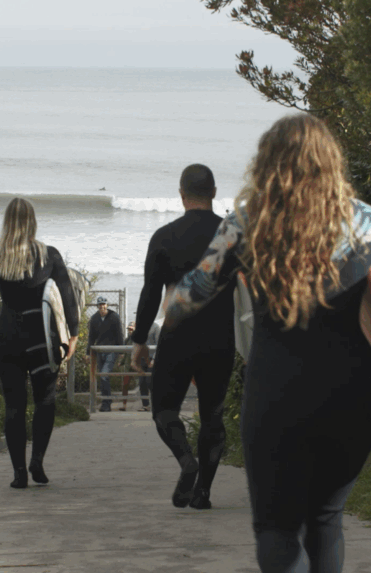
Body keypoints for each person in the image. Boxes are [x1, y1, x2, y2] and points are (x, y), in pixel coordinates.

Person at [161, 114, 371, 572]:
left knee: (278, 528)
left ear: (267, 165)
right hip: (350, 398)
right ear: (331, 165)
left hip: (276, 397)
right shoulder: (368, 224)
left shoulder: (247, 223)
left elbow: (186, 299)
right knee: (326, 519)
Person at [0, 197, 79, 489]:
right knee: (45, 401)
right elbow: (68, 294)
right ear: (32, 222)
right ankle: (38, 462)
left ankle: (19, 472)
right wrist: (73, 334)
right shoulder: (49, 255)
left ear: (7, 222)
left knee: (14, 406)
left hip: (7, 339)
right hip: (41, 341)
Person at [130, 163, 236, 510]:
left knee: (163, 407)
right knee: (213, 416)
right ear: (214, 194)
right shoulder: (233, 236)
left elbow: (149, 295)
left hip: (178, 338)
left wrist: (140, 340)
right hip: (220, 338)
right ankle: (203, 492)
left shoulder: (164, 236)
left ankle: (185, 460)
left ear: (180, 194)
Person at [88, 295, 123, 412]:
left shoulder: (114, 317)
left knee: (104, 375)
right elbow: (91, 337)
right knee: (102, 377)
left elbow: (119, 334)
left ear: (107, 305)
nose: (102, 306)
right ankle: (105, 402)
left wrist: (121, 352)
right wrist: (88, 353)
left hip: (111, 350)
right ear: (97, 306)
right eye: (100, 305)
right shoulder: (94, 319)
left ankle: (107, 402)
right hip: (99, 351)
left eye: (104, 304)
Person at [122, 320, 159, 411]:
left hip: (151, 359)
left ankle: (157, 404)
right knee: (142, 382)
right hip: (141, 359)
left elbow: (159, 344)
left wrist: (154, 359)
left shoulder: (155, 327)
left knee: (150, 382)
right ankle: (145, 405)